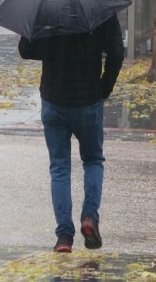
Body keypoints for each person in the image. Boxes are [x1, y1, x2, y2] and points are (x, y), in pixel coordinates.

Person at [18, 15, 124, 253]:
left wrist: (47, 42)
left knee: (59, 167)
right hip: (88, 100)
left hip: (54, 99)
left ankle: (64, 235)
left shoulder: (48, 5)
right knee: (93, 160)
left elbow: (26, 50)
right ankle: (89, 217)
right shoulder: (100, 7)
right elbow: (117, 52)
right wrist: (104, 87)